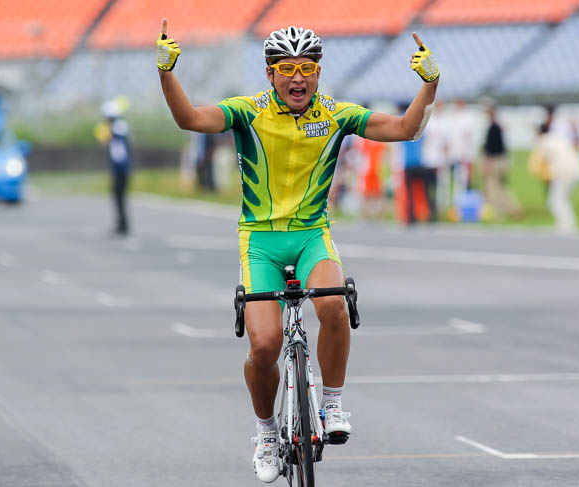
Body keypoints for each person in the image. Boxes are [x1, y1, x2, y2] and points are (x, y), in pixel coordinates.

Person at [156, 20, 439, 483]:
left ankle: (332, 402)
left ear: (319, 71)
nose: (297, 77)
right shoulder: (247, 111)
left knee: (333, 304)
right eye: (286, 68)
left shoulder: (336, 115)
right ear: (270, 75)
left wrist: (430, 85)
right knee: (265, 345)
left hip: (311, 234)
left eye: (306, 67)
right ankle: (266, 432)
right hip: (261, 240)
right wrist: (167, 73)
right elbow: (189, 119)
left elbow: (407, 129)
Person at [528, 123, 579, 234]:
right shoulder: (557, 138)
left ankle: (566, 225)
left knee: (555, 200)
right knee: (563, 199)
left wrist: (543, 174)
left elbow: (539, 162)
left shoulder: (543, 141)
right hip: (578, 170)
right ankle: (566, 224)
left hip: (564, 172)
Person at [94, 98, 132, 235]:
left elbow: (113, 136)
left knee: (121, 196)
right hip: (116, 168)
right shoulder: (116, 127)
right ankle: (120, 223)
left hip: (122, 168)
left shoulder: (120, 126)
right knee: (117, 196)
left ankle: (124, 224)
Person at [480, 103, 522, 220]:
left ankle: (503, 211)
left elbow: (490, 148)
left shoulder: (493, 128)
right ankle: (512, 208)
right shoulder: (498, 127)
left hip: (495, 161)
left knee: (494, 188)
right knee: (500, 187)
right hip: (501, 160)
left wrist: (486, 162)